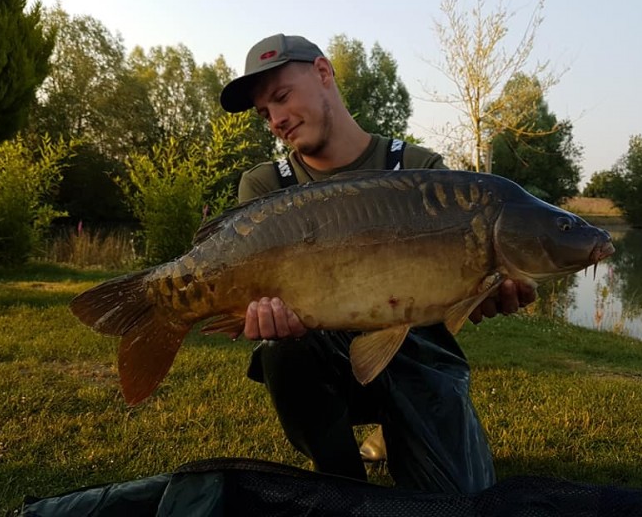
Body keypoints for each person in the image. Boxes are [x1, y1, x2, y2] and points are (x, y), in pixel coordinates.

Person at [219, 33, 536, 494]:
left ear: (323, 73)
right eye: (265, 112)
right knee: (281, 350)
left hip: (415, 358)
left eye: (282, 97)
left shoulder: (419, 168)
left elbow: (460, 294)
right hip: (320, 362)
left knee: (460, 499)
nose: (276, 120)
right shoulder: (268, 186)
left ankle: (399, 427)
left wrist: (483, 295)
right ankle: (339, 480)